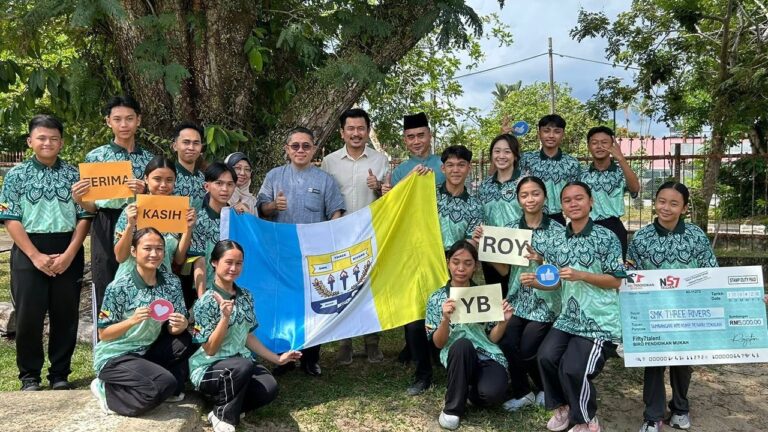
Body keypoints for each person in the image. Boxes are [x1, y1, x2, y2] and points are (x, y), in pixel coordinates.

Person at [0, 115, 93, 391]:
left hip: (68, 247)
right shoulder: (16, 176)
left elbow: (85, 215)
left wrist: (69, 254)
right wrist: (35, 256)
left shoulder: (75, 175)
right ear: (30, 141)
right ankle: (29, 376)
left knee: (66, 315)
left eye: (53, 138)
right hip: (28, 249)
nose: (47, 143)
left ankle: (60, 374)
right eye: (41, 138)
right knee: (29, 315)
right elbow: (10, 218)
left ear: (61, 142)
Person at [627, 182, 718, 432]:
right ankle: (653, 415)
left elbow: (712, 272)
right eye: (662, 201)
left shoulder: (696, 235)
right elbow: (630, 270)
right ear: (655, 202)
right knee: (654, 361)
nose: (666, 207)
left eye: (674, 203)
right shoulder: (641, 237)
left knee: (683, 361)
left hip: (688, 312)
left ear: (684, 208)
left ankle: (680, 408)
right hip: (652, 311)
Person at [536, 181, 626, 432]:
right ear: (561, 206)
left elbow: (616, 279)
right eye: (567, 200)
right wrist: (537, 281)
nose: (573, 204)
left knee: (574, 368)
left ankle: (586, 420)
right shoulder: (557, 240)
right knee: (545, 357)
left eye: (579, 198)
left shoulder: (607, 237)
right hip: (568, 317)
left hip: (599, 320)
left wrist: (582, 275)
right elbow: (555, 282)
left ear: (591, 202)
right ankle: (564, 407)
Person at [256, 126, 345, 377]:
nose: (300, 150)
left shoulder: (325, 180)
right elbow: (260, 209)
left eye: (306, 145)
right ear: (287, 149)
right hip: (280, 256)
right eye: (295, 145)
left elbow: (336, 211)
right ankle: (285, 357)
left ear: (314, 149)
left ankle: (311, 358)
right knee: (284, 306)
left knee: (313, 306)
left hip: (314, 256)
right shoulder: (274, 176)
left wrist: (336, 232)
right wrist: (274, 205)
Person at [473, 176, 566, 412]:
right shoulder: (512, 229)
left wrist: (541, 259)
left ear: (545, 197)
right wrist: (484, 248)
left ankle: (547, 387)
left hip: (546, 302)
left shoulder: (557, 231)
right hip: (517, 299)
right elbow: (505, 270)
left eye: (535, 193)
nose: (530, 199)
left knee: (527, 348)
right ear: (518, 199)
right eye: (524, 195)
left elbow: (563, 273)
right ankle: (523, 392)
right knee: (506, 340)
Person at [189, 240, 302, 432]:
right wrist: (224, 318)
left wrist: (278, 359)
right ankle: (223, 415)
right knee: (243, 365)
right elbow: (209, 349)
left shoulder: (246, 296)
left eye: (239, 263)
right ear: (214, 262)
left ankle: (224, 405)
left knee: (269, 387)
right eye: (228, 262)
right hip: (209, 368)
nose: (233, 268)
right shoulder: (205, 302)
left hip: (240, 364)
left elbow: (247, 336)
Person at [401, 144, 482, 397]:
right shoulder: (428, 194)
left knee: (452, 316)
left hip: (454, 268)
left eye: (461, 165)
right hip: (423, 264)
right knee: (415, 320)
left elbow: (470, 242)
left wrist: (456, 262)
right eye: (451, 165)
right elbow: (401, 205)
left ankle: (451, 363)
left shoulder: (475, 206)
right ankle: (423, 374)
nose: (455, 170)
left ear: (468, 168)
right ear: (442, 168)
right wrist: (409, 178)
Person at [91, 228, 192, 417]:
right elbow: (103, 334)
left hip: (146, 351)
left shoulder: (172, 282)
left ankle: (149, 379)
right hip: (116, 355)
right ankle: (107, 391)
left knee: (188, 338)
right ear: (134, 252)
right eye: (147, 248)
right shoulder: (119, 287)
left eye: (159, 249)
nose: (154, 254)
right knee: (164, 384)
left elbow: (173, 328)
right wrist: (132, 321)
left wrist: (180, 325)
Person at [320, 108, 388, 365]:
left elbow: (389, 199)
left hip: (371, 233)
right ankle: (344, 343)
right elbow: (326, 198)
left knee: (372, 288)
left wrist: (379, 188)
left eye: (361, 128)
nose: (356, 133)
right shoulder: (330, 162)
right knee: (342, 287)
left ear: (368, 131)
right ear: (342, 132)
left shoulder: (380, 160)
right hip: (340, 235)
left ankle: (372, 342)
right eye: (351, 129)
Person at [75, 95, 155, 309]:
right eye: (117, 119)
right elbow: (91, 207)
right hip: (105, 222)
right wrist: (79, 199)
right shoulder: (95, 157)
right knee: (105, 278)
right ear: (108, 121)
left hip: (140, 221)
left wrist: (145, 191)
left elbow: (159, 197)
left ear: (138, 120)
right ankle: (105, 336)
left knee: (140, 274)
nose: (124, 124)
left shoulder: (149, 159)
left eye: (129, 118)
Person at [425, 240, 512, 430]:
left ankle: (467, 389)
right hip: (458, 355)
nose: (461, 268)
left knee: (491, 395)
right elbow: (438, 344)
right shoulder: (437, 298)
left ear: (476, 266)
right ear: (448, 263)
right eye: (456, 262)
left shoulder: (485, 295)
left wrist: (503, 322)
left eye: (468, 263)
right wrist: (445, 319)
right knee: (463, 344)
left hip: (486, 354)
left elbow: (492, 338)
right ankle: (452, 409)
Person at [113, 156, 196, 302]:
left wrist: (188, 229)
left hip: (163, 288)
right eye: (157, 179)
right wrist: (130, 225)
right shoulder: (132, 210)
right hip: (130, 289)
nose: (163, 185)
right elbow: (120, 257)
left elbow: (178, 259)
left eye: (169, 180)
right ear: (146, 179)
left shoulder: (180, 212)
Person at [579, 126, 640, 257]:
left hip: (614, 227)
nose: (599, 146)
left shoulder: (621, 172)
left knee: (616, 271)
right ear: (588, 146)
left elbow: (635, 189)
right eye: (594, 142)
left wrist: (621, 159)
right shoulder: (581, 174)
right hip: (587, 226)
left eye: (604, 142)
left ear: (612, 145)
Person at [477, 133, 522, 297]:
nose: (501, 156)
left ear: (515, 156)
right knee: (496, 297)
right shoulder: (485, 186)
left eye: (507, 151)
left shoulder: (525, 183)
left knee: (517, 298)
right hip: (491, 250)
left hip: (519, 250)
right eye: (497, 151)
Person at [518, 114, 580, 225]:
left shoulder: (571, 163)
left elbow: (576, 193)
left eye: (557, 131)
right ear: (539, 134)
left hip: (558, 218)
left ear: (563, 135)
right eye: (546, 131)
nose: (551, 135)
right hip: (529, 216)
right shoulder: (527, 159)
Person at [190, 162, 237, 299]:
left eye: (230, 184)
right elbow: (199, 261)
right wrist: (202, 298)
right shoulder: (198, 220)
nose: (225, 189)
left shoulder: (238, 219)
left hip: (235, 290)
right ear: (207, 186)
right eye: (219, 183)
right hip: (209, 289)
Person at [387, 112, 445, 189]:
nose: (416, 142)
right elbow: (394, 198)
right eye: (411, 137)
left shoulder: (445, 165)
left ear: (430, 136)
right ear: (405, 140)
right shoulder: (399, 171)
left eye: (421, 136)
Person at [171, 121, 207, 209]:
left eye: (196, 143)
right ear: (175, 146)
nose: (191, 147)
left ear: (201, 147)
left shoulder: (204, 179)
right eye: (186, 142)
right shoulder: (167, 176)